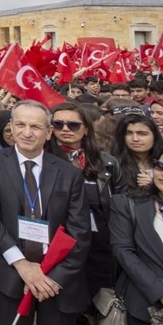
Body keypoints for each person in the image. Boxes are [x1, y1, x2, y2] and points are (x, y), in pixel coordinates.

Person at [0, 100, 92, 325]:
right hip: (11, 272)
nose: (26, 133)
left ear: (49, 132)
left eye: (35, 127)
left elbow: (80, 232)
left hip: (56, 281)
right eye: (20, 124)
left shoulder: (68, 174)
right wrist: (22, 264)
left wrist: (51, 278)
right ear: (11, 127)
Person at [49, 101, 123, 310]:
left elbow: (118, 202)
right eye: (58, 124)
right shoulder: (43, 160)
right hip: (60, 246)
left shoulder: (106, 162)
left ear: (86, 129)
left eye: (73, 125)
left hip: (99, 246)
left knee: (100, 305)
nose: (65, 129)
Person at [109, 154, 163, 324]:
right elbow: (123, 251)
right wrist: (158, 292)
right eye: (160, 166)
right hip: (143, 305)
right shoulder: (127, 203)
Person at [113, 114, 163, 199]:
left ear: (154, 135)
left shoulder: (161, 159)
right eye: (129, 133)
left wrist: (155, 186)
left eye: (142, 134)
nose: (135, 139)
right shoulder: (114, 163)